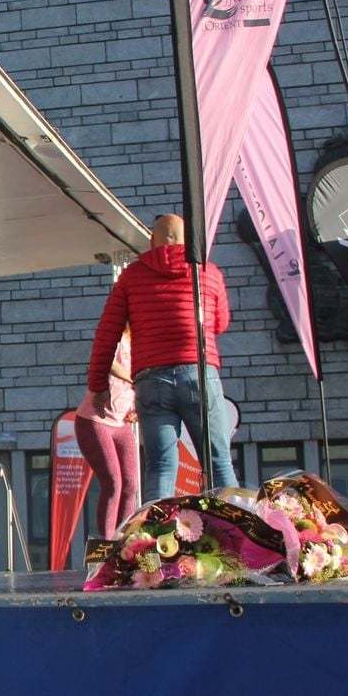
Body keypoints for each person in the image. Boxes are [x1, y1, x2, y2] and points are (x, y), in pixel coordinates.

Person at [86, 213, 237, 500]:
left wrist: (98, 385)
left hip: (151, 380)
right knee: (218, 462)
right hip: (198, 374)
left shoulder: (132, 276)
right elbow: (220, 323)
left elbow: (107, 333)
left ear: (152, 241)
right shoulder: (208, 272)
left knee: (160, 467)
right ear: (188, 241)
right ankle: (234, 526)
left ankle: (155, 530)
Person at [74, 327, 139, 540]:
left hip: (121, 424)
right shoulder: (116, 336)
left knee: (130, 485)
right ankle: (107, 542)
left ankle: (125, 541)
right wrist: (133, 379)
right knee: (113, 483)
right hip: (94, 421)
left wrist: (135, 406)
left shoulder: (141, 342)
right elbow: (107, 361)